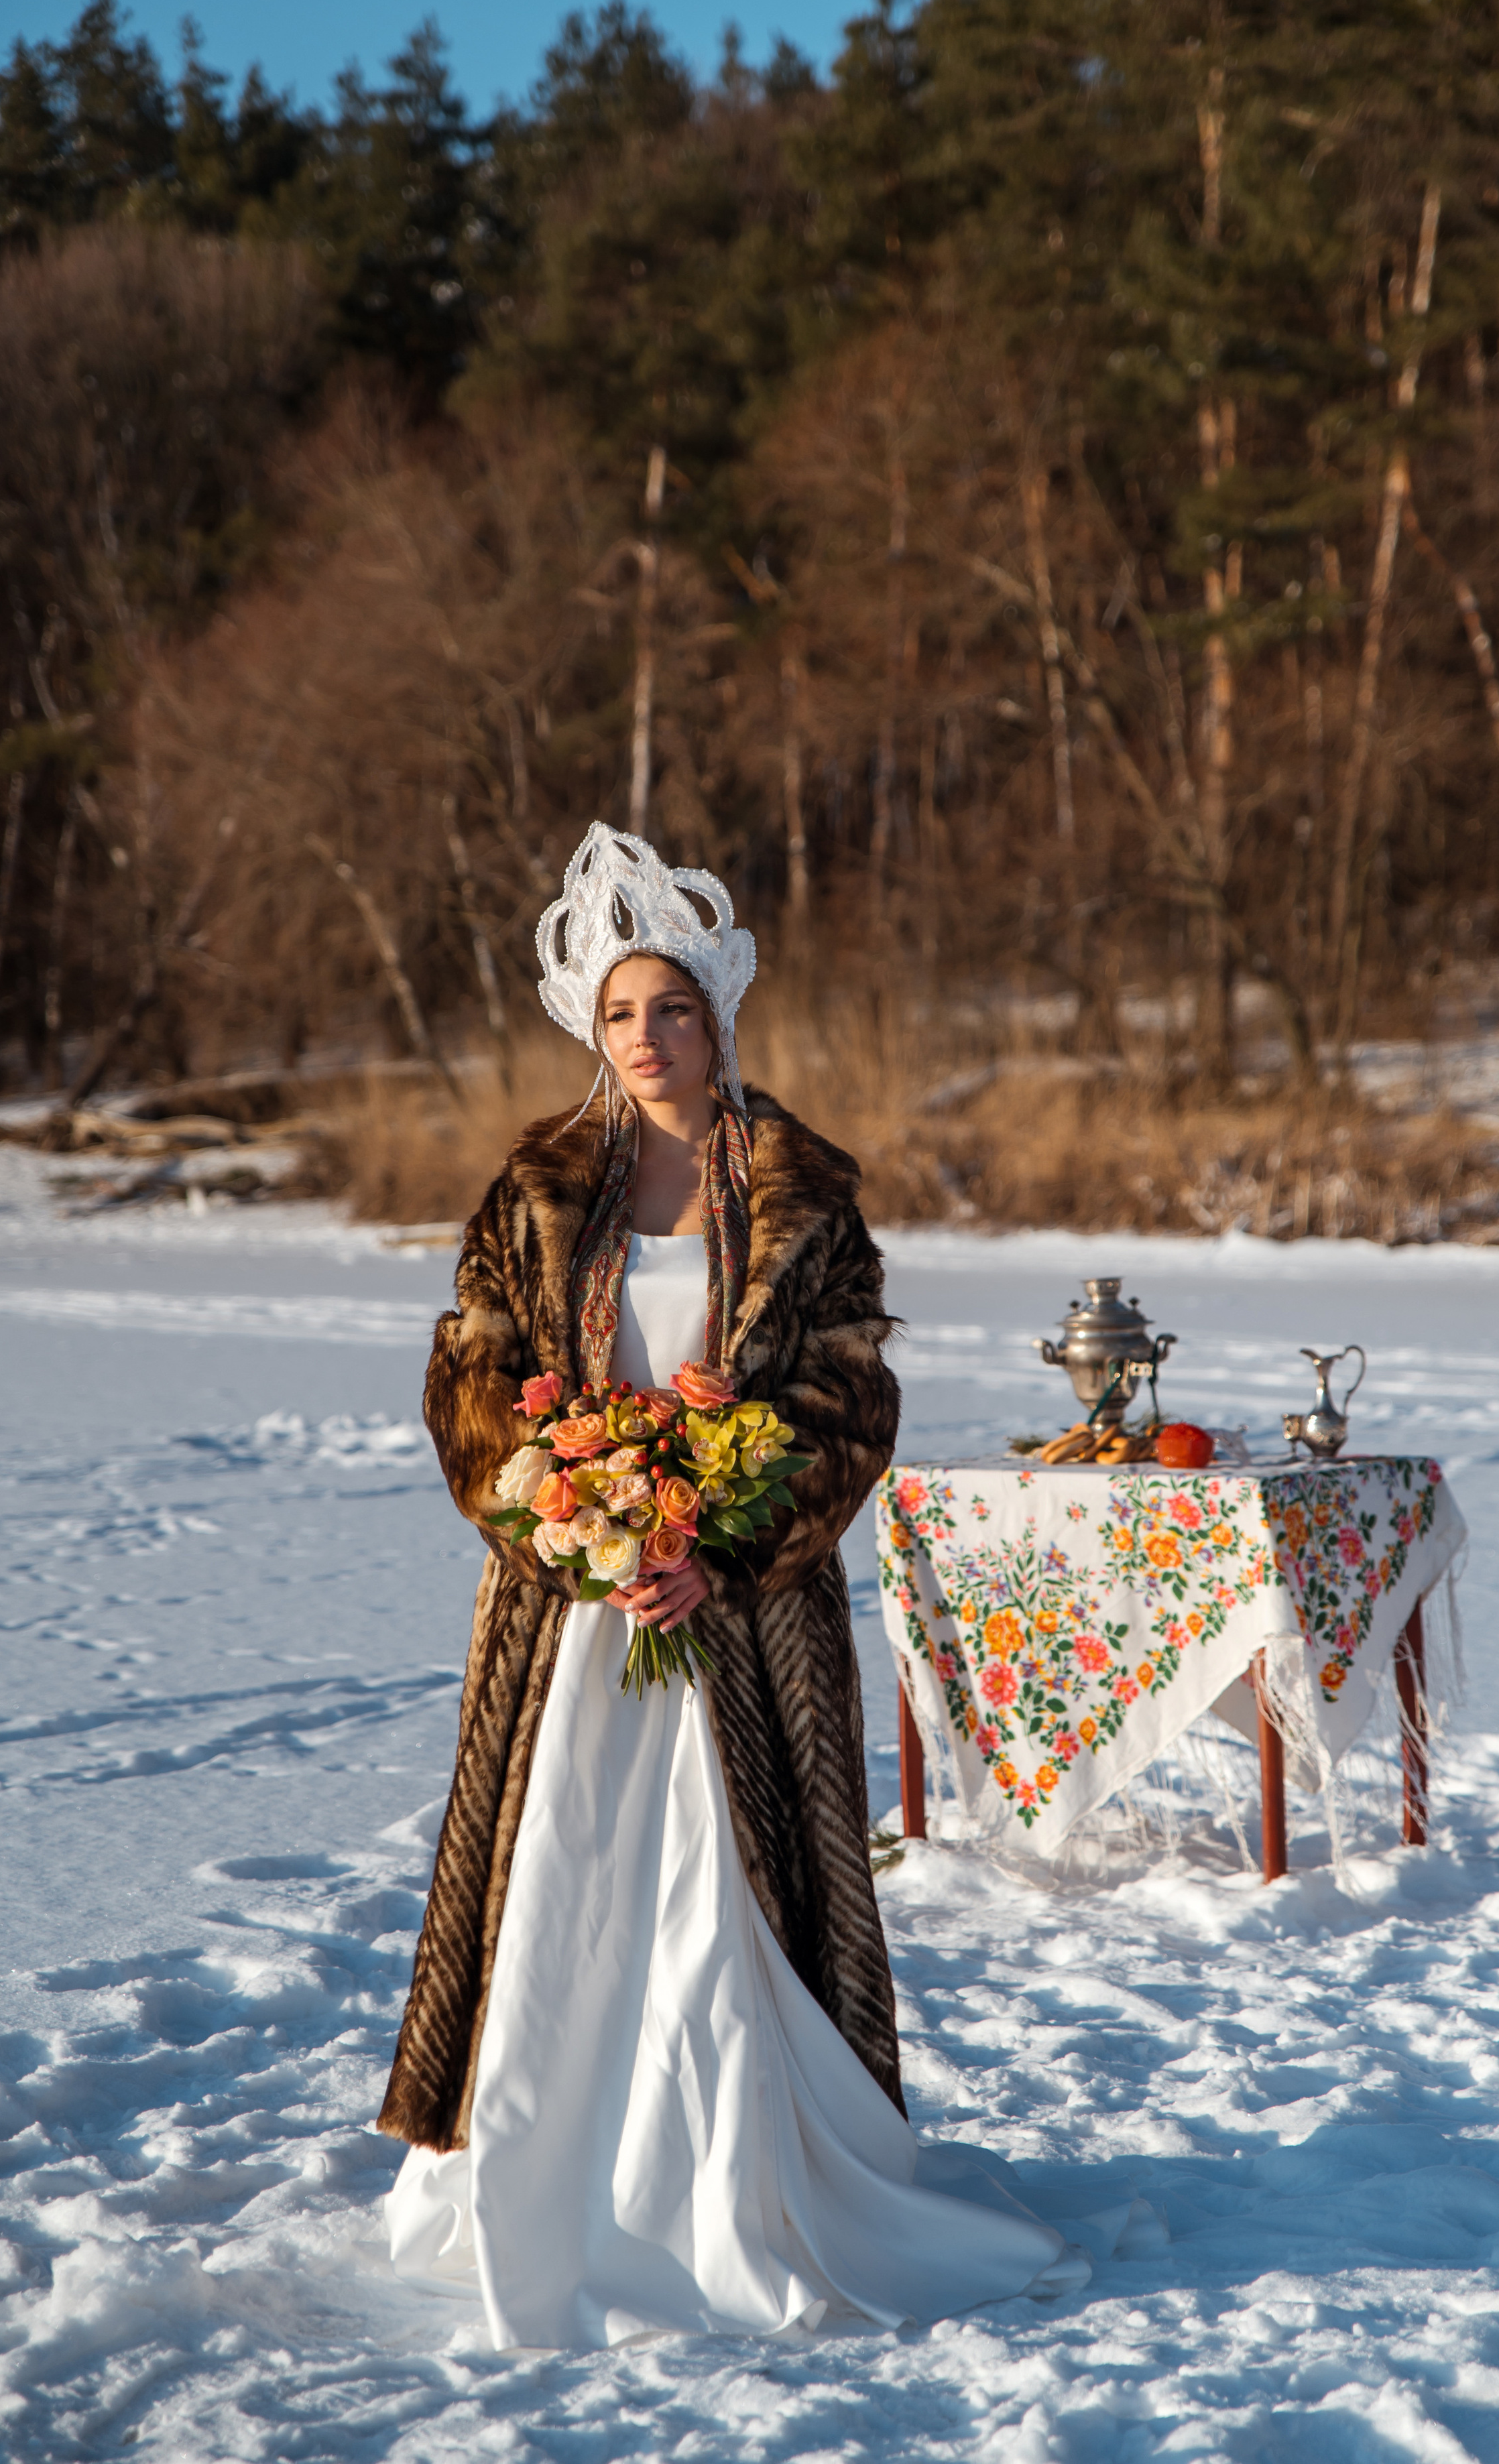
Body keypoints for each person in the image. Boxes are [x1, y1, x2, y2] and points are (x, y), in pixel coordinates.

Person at [380, 822, 1079, 2348]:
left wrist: (721, 1540)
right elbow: (473, 1381)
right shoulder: (536, 1185)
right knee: (564, 1874)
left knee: (726, 1889)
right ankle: (546, 2171)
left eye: (674, 1008)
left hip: (748, 1617)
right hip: (576, 1617)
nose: (648, 1037)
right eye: (622, 1012)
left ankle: (748, 2182)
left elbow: (848, 1400)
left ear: (718, 1018)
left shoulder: (803, 1187)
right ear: (592, 1024)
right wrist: (583, 1520)